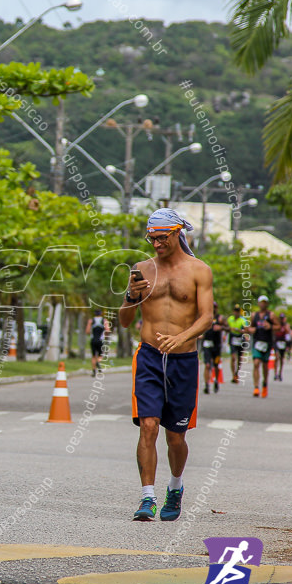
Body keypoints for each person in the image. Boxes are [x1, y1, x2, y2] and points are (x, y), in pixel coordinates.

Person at [118, 209, 214, 522]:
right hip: (148, 357)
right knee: (148, 425)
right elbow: (124, 321)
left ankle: (176, 486)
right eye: (152, 238)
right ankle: (147, 498)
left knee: (175, 436)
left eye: (162, 238)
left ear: (176, 234)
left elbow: (207, 317)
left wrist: (183, 337)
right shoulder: (141, 269)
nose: (157, 244)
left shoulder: (199, 270)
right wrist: (131, 297)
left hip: (183, 361)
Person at [246, 296, 277, 398]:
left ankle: (264, 384)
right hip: (257, 342)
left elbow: (279, 327)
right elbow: (249, 327)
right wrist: (251, 329)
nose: (263, 304)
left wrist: (271, 326)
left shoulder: (271, 315)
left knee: (265, 366)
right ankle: (256, 387)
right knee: (256, 363)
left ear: (267, 304)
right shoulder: (254, 315)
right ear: (258, 303)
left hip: (267, 343)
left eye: (265, 302)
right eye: (261, 302)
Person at [201, 303, 224, 394]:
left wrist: (221, 327)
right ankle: (207, 385)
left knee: (216, 365)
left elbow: (228, 328)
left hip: (216, 346)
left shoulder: (220, 318)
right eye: (211, 306)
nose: (213, 308)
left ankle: (216, 381)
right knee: (207, 365)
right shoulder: (205, 317)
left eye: (214, 307)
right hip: (207, 344)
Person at [226, 304, 248, 383]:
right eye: (235, 311)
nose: (236, 313)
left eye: (238, 311)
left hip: (240, 338)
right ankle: (233, 375)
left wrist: (239, 330)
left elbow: (246, 330)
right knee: (233, 357)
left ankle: (237, 372)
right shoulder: (230, 319)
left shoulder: (243, 320)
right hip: (232, 337)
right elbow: (226, 327)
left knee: (239, 357)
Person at [85, 309, 107, 376]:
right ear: (101, 313)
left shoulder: (91, 321)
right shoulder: (104, 320)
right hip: (100, 340)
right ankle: (98, 362)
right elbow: (107, 329)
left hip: (93, 340)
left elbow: (87, 331)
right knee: (100, 355)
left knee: (94, 356)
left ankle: (94, 371)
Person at [273, 313, 291, 381]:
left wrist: (285, 326)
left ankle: (280, 373)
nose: (281, 319)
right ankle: (275, 373)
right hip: (277, 341)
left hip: (283, 342)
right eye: (280, 318)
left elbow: (288, 332)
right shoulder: (277, 325)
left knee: (281, 358)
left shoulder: (286, 325)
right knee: (277, 356)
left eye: (282, 318)